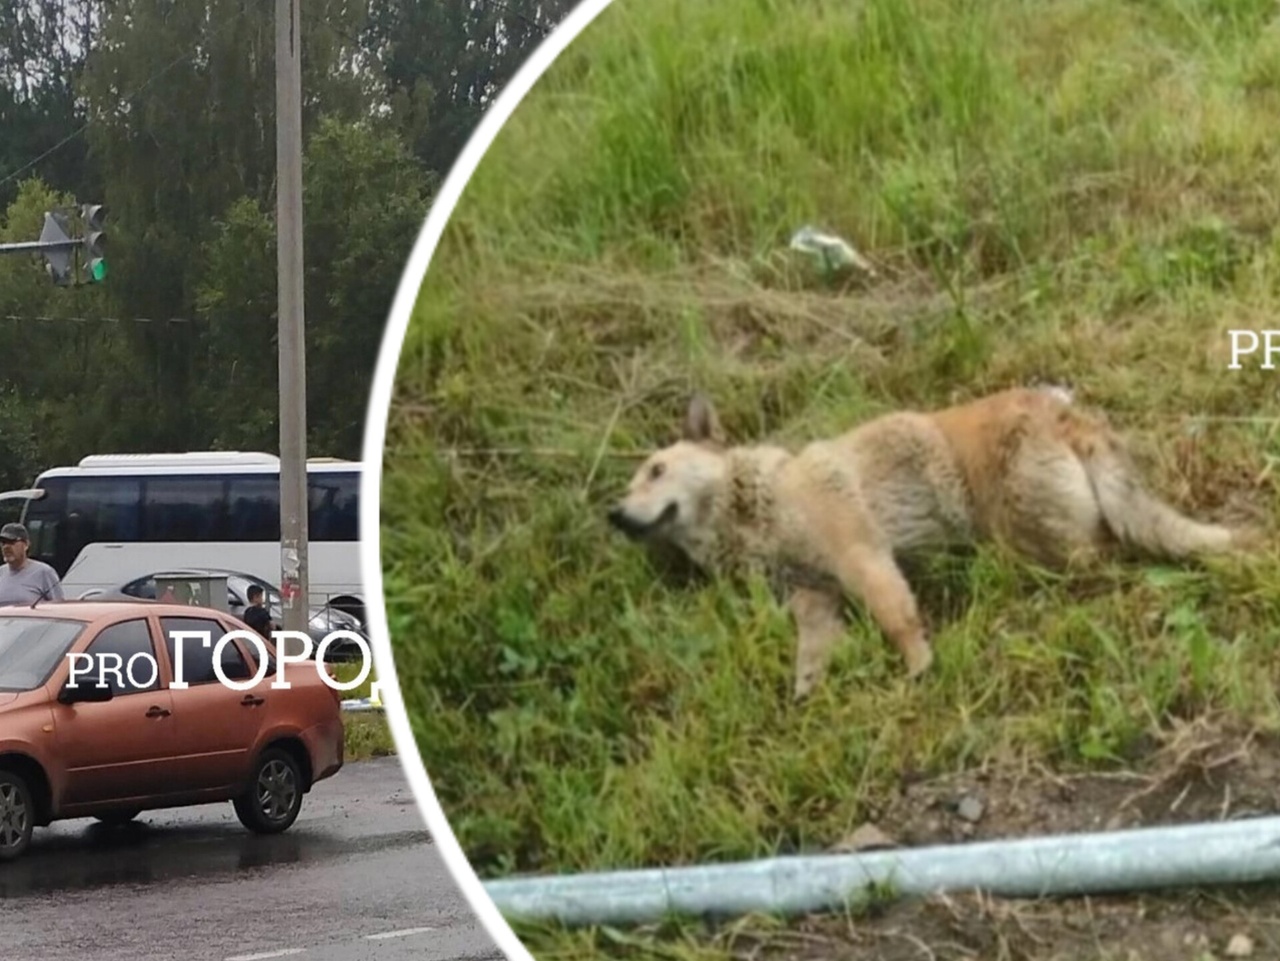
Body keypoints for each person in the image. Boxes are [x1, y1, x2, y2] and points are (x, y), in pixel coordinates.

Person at [0, 522, 64, 606]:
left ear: (26, 544)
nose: (6, 547)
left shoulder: (44, 572)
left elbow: (59, 607)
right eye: (3, 542)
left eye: (12, 542)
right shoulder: (1, 573)